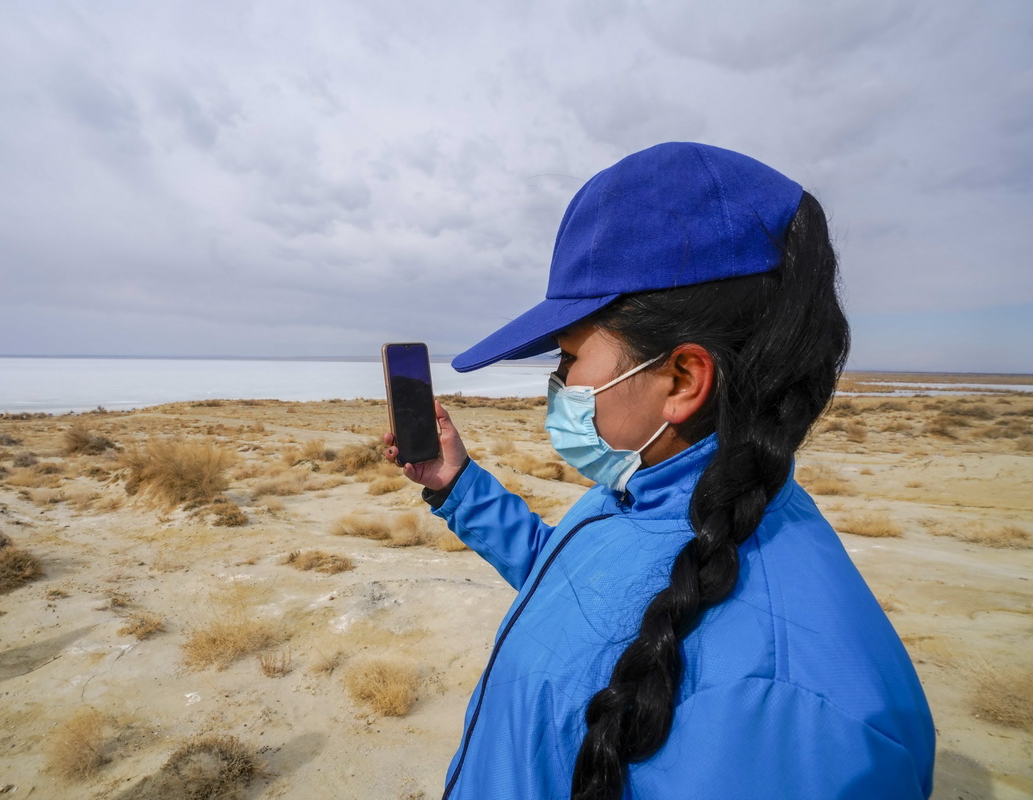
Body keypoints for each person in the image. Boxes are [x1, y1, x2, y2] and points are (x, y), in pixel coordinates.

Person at [382, 142, 935, 800]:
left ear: (682, 378)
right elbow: (570, 583)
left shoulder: (802, 711)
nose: (556, 386)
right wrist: (457, 484)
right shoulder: (638, 489)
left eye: (568, 358)